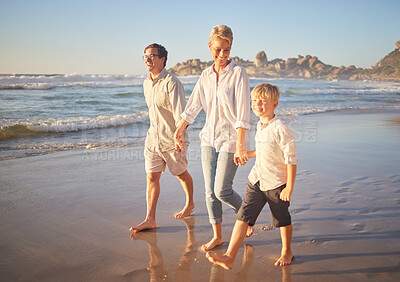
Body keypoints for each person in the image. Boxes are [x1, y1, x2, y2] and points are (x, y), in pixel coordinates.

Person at [174, 25, 252, 251]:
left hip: (231, 140)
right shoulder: (206, 75)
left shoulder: (239, 73)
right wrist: (181, 127)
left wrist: (240, 146)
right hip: (209, 138)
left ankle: (246, 216)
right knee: (209, 191)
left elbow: (243, 114)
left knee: (222, 190)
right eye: (217, 49)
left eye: (226, 50)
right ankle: (217, 236)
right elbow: (194, 105)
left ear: (231, 48)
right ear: (209, 47)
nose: (221, 55)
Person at [206, 83, 299, 268]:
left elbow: (291, 158)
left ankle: (287, 251)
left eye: (263, 101)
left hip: (276, 183)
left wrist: (289, 186)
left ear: (275, 104)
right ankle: (230, 256)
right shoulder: (260, 124)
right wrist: (248, 154)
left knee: (282, 220)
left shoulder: (280, 127)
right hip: (256, 179)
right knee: (243, 216)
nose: (257, 104)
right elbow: (265, 149)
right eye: (255, 100)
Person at [129, 43, 194, 232]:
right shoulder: (146, 83)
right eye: (145, 56)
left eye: (152, 56)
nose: (147, 59)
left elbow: (181, 115)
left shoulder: (173, 83)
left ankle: (190, 203)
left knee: (181, 175)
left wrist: (179, 137)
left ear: (162, 59)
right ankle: (150, 219)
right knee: (152, 177)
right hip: (153, 140)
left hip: (172, 139)